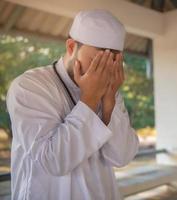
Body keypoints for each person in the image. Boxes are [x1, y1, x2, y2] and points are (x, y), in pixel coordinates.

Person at [6, 9, 139, 200]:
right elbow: (55, 162)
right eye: (97, 61)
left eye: (113, 62)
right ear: (70, 47)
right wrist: (91, 98)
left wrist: (109, 103)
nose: (104, 71)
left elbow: (122, 157)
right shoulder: (30, 87)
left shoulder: (110, 91)